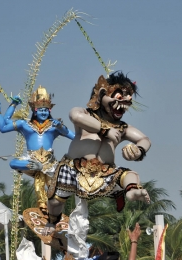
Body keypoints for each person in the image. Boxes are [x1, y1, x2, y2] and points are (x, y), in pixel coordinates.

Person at [46, 72, 151, 232]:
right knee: (55, 202)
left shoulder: (122, 128)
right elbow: (74, 115)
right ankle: (52, 221)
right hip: (74, 168)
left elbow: (145, 139)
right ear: (101, 95)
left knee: (128, 174)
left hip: (104, 173)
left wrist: (138, 150)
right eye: (117, 96)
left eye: (127, 98)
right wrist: (103, 130)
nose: (122, 102)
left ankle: (132, 191)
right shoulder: (87, 114)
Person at [0, 86, 74, 214]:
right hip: (33, 162)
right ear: (34, 110)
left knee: (54, 190)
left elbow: (73, 136)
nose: (43, 112)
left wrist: (62, 128)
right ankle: (42, 204)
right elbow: (3, 126)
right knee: (14, 163)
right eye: (40, 110)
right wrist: (6, 107)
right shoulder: (25, 124)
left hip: (50, 163)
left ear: (50, 110)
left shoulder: (54, 125)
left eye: (46, 110)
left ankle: (53, 209)